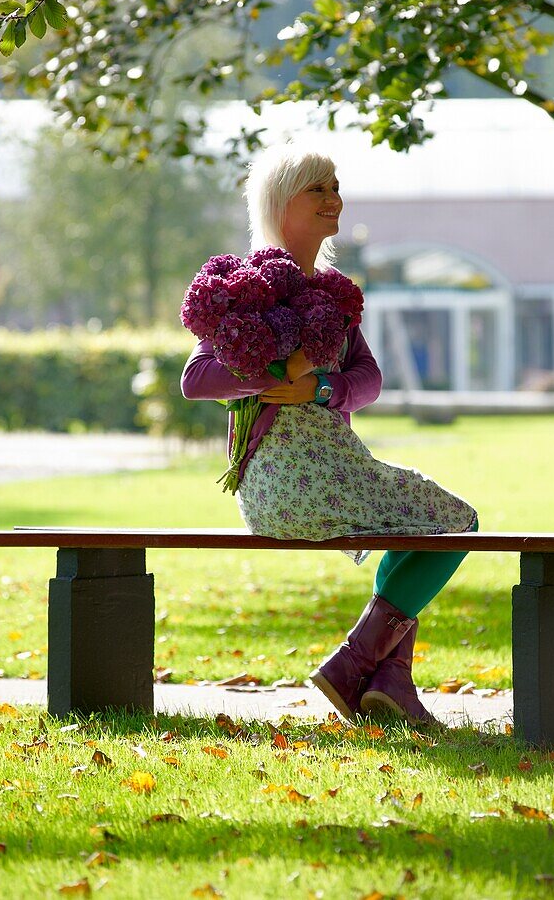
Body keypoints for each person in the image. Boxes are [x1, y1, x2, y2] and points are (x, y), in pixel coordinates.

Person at [181, 145, 478, 727]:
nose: (333, 199)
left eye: (336, 187)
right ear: (280, 201)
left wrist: (320, 389)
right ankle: (356, 664)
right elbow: (196, 380)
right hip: (283, 480)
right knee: (455, 522)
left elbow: (368, 381)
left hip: (336, 468)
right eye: (317, 189)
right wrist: (271, 376)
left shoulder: (336, 293)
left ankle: (390, 682)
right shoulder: (241, 288)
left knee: (424, 522)